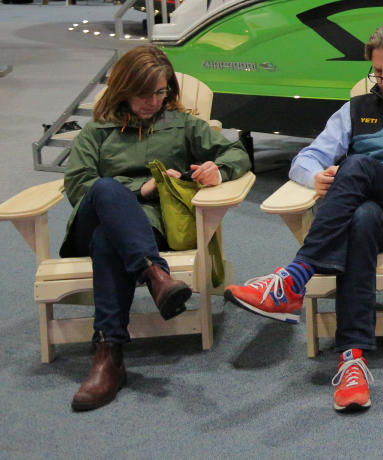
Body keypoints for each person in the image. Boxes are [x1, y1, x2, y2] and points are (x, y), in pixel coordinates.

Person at [226, 24, 383, 413]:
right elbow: (305, 159)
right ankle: (351, 361)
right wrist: (316, 176)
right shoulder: (355, 110)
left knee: (359, 166)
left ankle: (293, 279)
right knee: (361, 216)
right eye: (378, 72)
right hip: (370, 222)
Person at [60, 45, 251, 411]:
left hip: (145, 232)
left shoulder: (181, 125)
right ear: (123, 88)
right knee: (104, 188)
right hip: (91, 219)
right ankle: (156, 274)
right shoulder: (97, 132)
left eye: (161, 92)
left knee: (108, 240)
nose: (154, 100)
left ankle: (109, 354)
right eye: (145, 93)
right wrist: (141, 188)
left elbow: (235, 153)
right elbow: (78, 187)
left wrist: (217, 170)